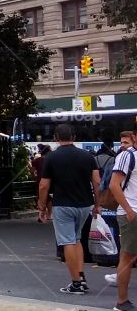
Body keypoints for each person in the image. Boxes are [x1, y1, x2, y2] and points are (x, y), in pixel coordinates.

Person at [37, 125, 101, 294]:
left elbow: (44, 185)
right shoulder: (87, 156)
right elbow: (96, 181)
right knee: (77, 239)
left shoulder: (51, 157)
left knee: (67, 241)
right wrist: (98, 203)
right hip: (85, 204)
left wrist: (42, 205)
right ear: (73, 136)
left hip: (63, 204)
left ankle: (76, 283)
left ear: (56, 137)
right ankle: (81, 276)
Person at [105, 132, 137, 311]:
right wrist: (129, 211)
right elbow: (113, 184)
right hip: (131, 212)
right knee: (127, 256)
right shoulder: (127, 155)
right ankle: (122, 302)